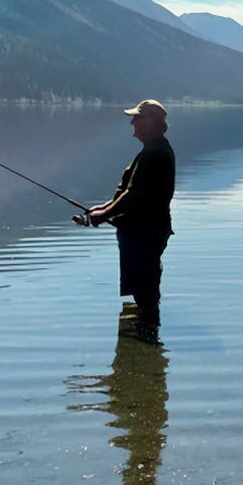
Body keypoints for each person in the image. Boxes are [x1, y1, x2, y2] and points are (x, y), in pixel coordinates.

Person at [76, 99, 175, 344]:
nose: (132, 122)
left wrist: (104, 215)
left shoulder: (154, 153)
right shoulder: (155, 149)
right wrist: (105, 208)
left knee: (144, 286)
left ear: (151, 122)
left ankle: (146, 338)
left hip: (145, 231)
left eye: (137, 118)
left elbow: (136, 195)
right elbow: (131, 192)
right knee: (145, 284)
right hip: (146, 229)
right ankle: (146, 332)